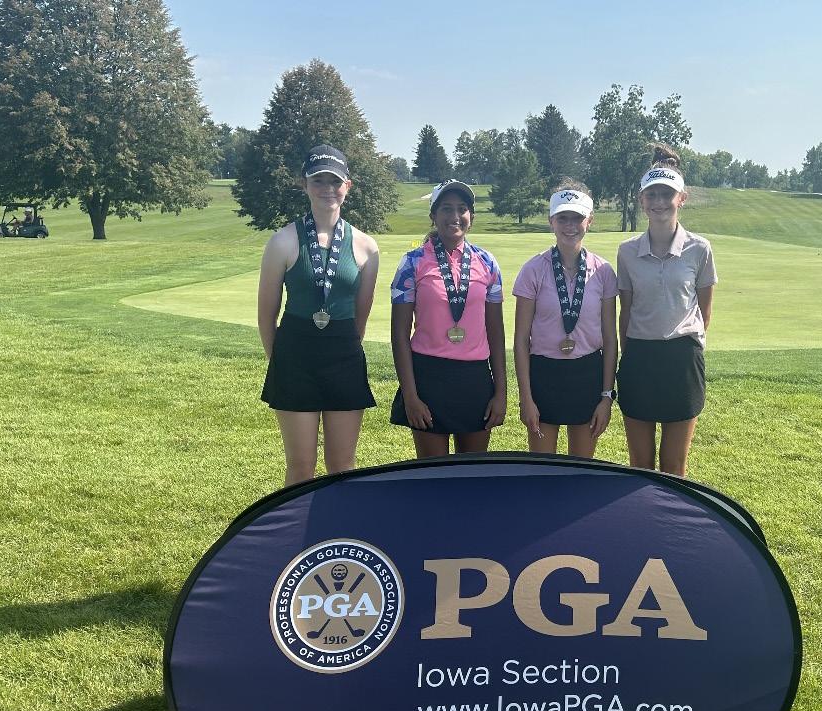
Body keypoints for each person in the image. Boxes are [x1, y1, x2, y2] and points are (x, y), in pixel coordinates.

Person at [257, 144, 379, 485]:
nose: (328, 188)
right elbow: (266, 315)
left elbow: (360, 318)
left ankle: (338, 520)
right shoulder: (282, 241)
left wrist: (342, 349)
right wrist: (279, 363)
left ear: (347, 186)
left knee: (342, 465)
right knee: (301, 466)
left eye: (335, 181)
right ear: (305, 185)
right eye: (318, 181)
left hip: (344, 358)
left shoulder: (366, 247)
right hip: (295, 357)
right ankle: (297, 523)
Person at [616, 144, 717, 476]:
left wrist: (690, 345)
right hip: (639, 358)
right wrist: (630, 354)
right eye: (652, 194)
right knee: (640, 464)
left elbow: (704, 310)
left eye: (667, 194)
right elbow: (626, 310)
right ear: (642, 200)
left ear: (681, 198)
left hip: (681, 359)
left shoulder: (700, 249)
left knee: (674, 465)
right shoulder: (627, 251)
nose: (659, 201)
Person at [390, 179, 506, 457]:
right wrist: (410, 396)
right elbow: (399, 335)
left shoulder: (487, 262)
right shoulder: (412, 262)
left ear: (471, 216)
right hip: (428, 378)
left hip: (475, 379)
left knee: (471, 472)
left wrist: (500, 392)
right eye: (446, 208)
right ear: (433, 215)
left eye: (462, 208)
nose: (455, 216)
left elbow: (496, 333)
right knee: (433, 475)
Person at [513, 180, 618, 457]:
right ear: (551, 221)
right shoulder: (533, 269)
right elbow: (521, 339)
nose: (570, 225)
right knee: (543, 468)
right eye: (563, 218)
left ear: (589, 221)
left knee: (580, 470)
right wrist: (526, 398)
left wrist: (606, 397)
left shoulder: (604, 271)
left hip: (587, 375)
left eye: (577, 218)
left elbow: (610, 339)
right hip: (544, 375)